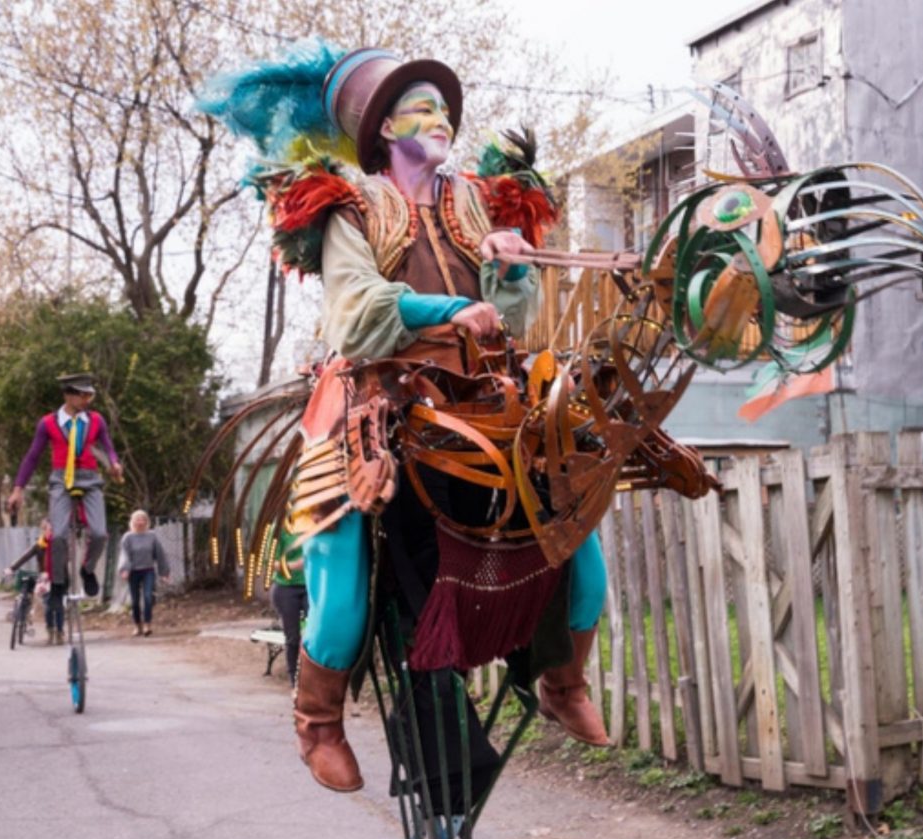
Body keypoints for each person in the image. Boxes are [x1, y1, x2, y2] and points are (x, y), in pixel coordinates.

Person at [202, 45, 614, 792]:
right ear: (386, 127)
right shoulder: (348, 208)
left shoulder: (481, 203)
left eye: (445, 109)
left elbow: (512, 319)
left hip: (484, 403)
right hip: (376, 405)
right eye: (423, 108)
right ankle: (317, 720)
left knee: (578, 536)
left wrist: (512, 270)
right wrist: (453, 308)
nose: (442, 120)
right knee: (343, 592)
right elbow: (357, 317)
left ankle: (562, 681)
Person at [6, 373, 124, 599]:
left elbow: (108, 447)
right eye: (83, 395)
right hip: (61, 480)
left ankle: (87, 570)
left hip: (90, 479)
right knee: (58, 535)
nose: (87, 400)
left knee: (99, 533)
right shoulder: (48, 423)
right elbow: (32, 457)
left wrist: (114, 462)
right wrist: (18, 489)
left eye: (90, 395)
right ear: (69, 395)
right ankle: (59, 581)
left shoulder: (96, 420)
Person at [267, 523, 308, 689]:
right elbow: (271, 563)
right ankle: (295, 680)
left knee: (313, 633)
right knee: (293, 638)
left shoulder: (312, 524)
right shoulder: (278, 529)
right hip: (286, 588)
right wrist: (295, 565)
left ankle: (314, 677)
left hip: (309, 586)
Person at [118, 510, 170, 637]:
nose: (140, 522)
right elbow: (125, 555)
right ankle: (137, 625)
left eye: (143, 519)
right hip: (133, 572)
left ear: (147, 522)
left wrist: (164, 572)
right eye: (137, 519)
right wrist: (125, 569)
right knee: (135, 601)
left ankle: (147, 625)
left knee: (147, 597)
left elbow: (160, 554)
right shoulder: (128, 537)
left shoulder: (152, 536)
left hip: (148, 571)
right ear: (133, 522)